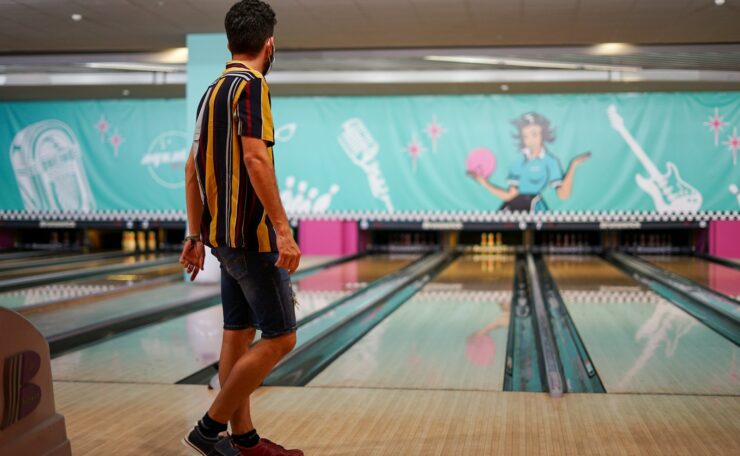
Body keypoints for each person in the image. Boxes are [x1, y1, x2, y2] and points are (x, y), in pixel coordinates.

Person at [179, 1, 302, 455]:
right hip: (252, 240)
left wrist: (194, 235)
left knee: (238, 331)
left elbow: (191, 169)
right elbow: (255, 157)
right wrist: (283, 230)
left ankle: (244, 440)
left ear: (230, 42)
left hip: (222, 242)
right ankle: (209, 430)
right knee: (282, 337)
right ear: (269, 44)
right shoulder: (253, 88)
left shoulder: (211, 92)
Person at [469, 112, 590, 212]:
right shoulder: (519, 161)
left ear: (543, 135)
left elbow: (563, 195)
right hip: (512, 209)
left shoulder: (551, 161)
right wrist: (483, 182)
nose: (530, 140)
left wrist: (573, 165)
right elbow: (509, 195)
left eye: (534, 134)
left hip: (535, 207)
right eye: (526, 136)